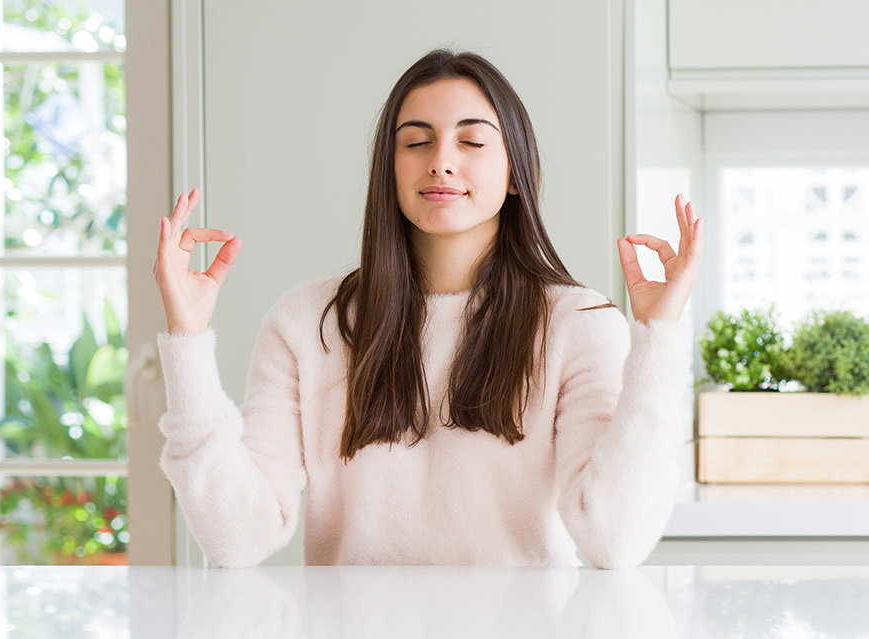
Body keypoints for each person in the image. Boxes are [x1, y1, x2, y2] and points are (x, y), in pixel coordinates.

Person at [152, 48, 704, 569]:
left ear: (516, 173)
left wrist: (659, 335)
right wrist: (187, 338)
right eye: (416, 142)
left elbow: (615, 539)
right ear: (388, 169)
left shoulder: (578, 325)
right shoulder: (306, 322)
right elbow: (238, 538)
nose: (441, 161)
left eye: (472, 142)